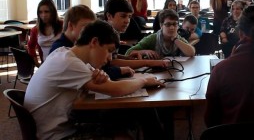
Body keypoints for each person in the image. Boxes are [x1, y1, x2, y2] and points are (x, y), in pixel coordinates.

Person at [24, 20, 165, 140]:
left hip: (57, 128)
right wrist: (144, 81)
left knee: (124, 117)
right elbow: (116, 89)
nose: (110, 58)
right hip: (58, 136)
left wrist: (103, 79)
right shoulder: (69, 63)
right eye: (109, 50)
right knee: (128, 123)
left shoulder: (64, 53)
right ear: (94, 42)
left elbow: (104, 82)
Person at [104, 0, 169, 73]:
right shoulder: (104, 33)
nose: (127, 21)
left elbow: (113, 56)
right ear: (109, 16)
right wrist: (149, 63)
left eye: (129, 16)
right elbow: (111, 62)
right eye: (123, 16)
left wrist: (126, 58)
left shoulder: (115, 32)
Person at [125, 9, 195, 58]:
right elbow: (128, 53)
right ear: (161, 25)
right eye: (168, 24)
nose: (172, 28)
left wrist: (175, 40)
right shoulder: (153, 38)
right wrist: (144, 51)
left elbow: (191, 53)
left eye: (175, 24)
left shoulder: (178, 38)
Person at [27, 0, 63, 65]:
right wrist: (37, 63)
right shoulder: (35, 30)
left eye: (47, 12)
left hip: (63, 63)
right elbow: (31, 46)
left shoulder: (62, 25)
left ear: (53, 12)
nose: (43, 15)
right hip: (46, 64)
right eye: (40, 12)